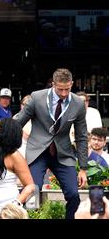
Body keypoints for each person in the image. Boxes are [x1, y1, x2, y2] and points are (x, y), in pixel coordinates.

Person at [14, 68, 88, 219]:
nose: (63, 93)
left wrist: (83, 168)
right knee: (32, 192)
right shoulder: (37, 97)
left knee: (74, 195)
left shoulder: (78, 104)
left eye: (67, 89)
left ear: (72, 84)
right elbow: (18, 122)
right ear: (53, 84)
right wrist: (1, 132)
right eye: (60, 89)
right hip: (37, 151)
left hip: (63, 153)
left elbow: (81, 137)